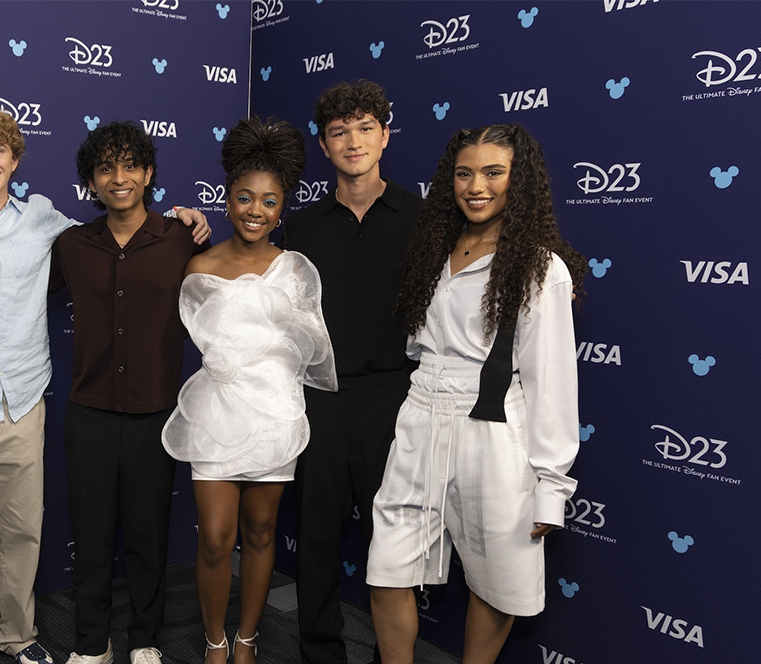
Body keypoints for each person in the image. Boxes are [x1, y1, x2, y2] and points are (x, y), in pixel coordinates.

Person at [0, 107, 208, 664]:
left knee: (35, 534)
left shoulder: (64, 226)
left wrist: (196, 220)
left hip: (45, 404)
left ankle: (37, 637)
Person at [366, 124, 586, 664]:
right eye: (464, 173)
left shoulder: (538, 267)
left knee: (496, 578)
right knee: (387, 568)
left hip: (491, 429)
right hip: (420, 416)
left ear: (520, 181)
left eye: (493, 172)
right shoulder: (434, 248)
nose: (476, 185)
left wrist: (551, 485)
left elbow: (551, 382)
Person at [161, 117, 337, 664]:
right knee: (216, 537)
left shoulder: (297, 270)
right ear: (228, 199)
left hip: (275, 416)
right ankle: (215, 641)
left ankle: (247, 640)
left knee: (261, 531)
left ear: (282, 207)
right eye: (243, 198)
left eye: (268, 201)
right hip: (217, 414)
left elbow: (313, 346)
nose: (254, 211)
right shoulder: (199, 265)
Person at [52, 121, 208, 664]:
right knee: (91, 537)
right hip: (89, 413)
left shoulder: (182, 239)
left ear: (147, 173)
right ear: (91, 181)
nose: (118, 178)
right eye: (104, 168)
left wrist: (197, 219)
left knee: (148, 536)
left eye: (129, 166)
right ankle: (91, 643)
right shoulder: (72, 244)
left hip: (154, 414)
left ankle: (145, 638)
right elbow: (9, 285)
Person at [281, 80, 422, 664]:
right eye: (340, 132)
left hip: (396, 396)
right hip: (322, 398)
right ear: (323, 145)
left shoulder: (423, 216)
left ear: (385, 136)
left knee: (393, 542)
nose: (354, 141)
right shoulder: (302, 227)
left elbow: (487, 255)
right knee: (315, 538)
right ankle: (321, 653)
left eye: (366, 128)